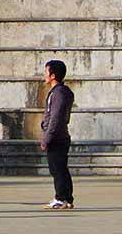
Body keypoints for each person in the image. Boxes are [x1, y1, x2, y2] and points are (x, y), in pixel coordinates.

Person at [41, 60, 75, 210]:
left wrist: (47, 137)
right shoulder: (60, 92)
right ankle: (66, 197)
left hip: (57, 136)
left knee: (57, 169)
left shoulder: (59, 93)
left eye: (46, 72)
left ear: (53, 75)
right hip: (59, 135)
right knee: (61, 168)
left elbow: (56, 117)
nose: (44, 75)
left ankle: (61, 197)